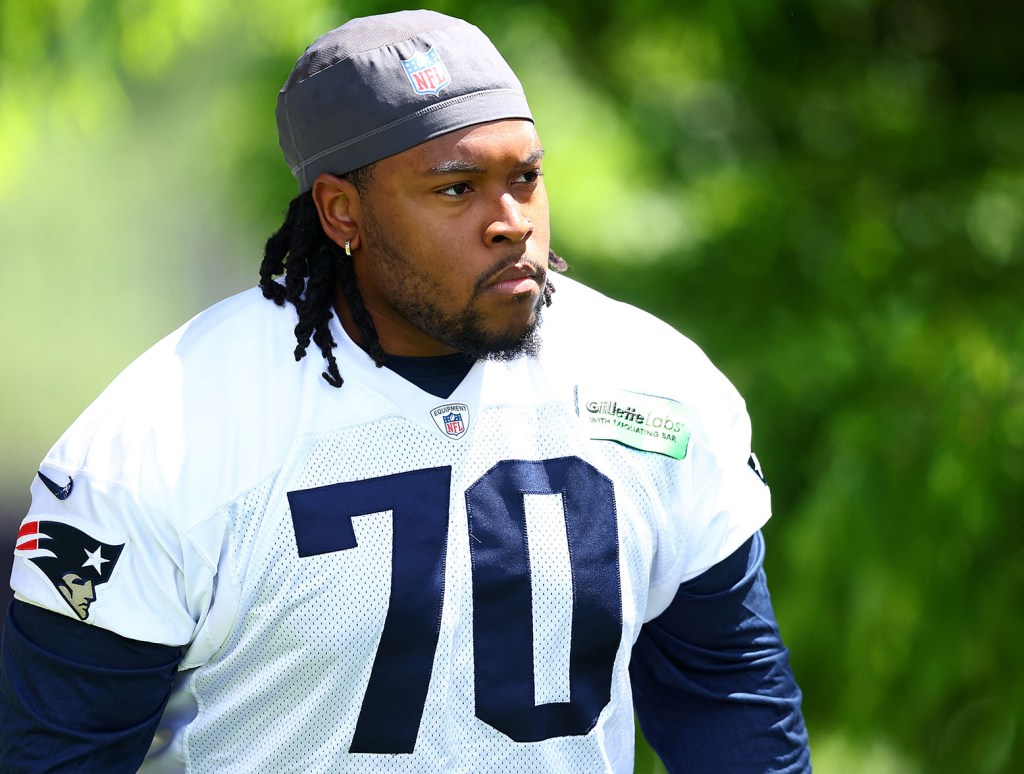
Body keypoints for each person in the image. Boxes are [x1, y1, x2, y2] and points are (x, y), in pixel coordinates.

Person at [0, 9, 810, 772]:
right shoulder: (162, 435)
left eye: (525, 178)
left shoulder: (655, 386)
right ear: (341, 211)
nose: (511, 221)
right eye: (456, 188)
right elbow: (55, 752)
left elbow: (729, 703)